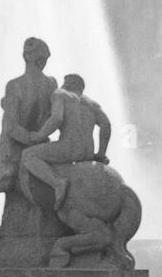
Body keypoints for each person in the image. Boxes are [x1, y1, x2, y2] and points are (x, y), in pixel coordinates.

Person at [0, 37, 56, 233]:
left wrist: (30, 137)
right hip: (42, 153)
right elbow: (55, 116)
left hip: (14, 158)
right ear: (43, 58)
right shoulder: (51, 84)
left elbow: (11, 128)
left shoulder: (15, 85)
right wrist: (41, 137)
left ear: (25, 56)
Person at [19, 73, 111, 211]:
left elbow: (57, 119)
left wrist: (39, 135)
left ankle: (58, 183)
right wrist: (101, 154)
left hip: (69, 148)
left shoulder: (61, 94)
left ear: (69, 83)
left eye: (64, 82)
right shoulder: (93, 104)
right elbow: (106, 125)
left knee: (28, 155)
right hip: (88, 153)